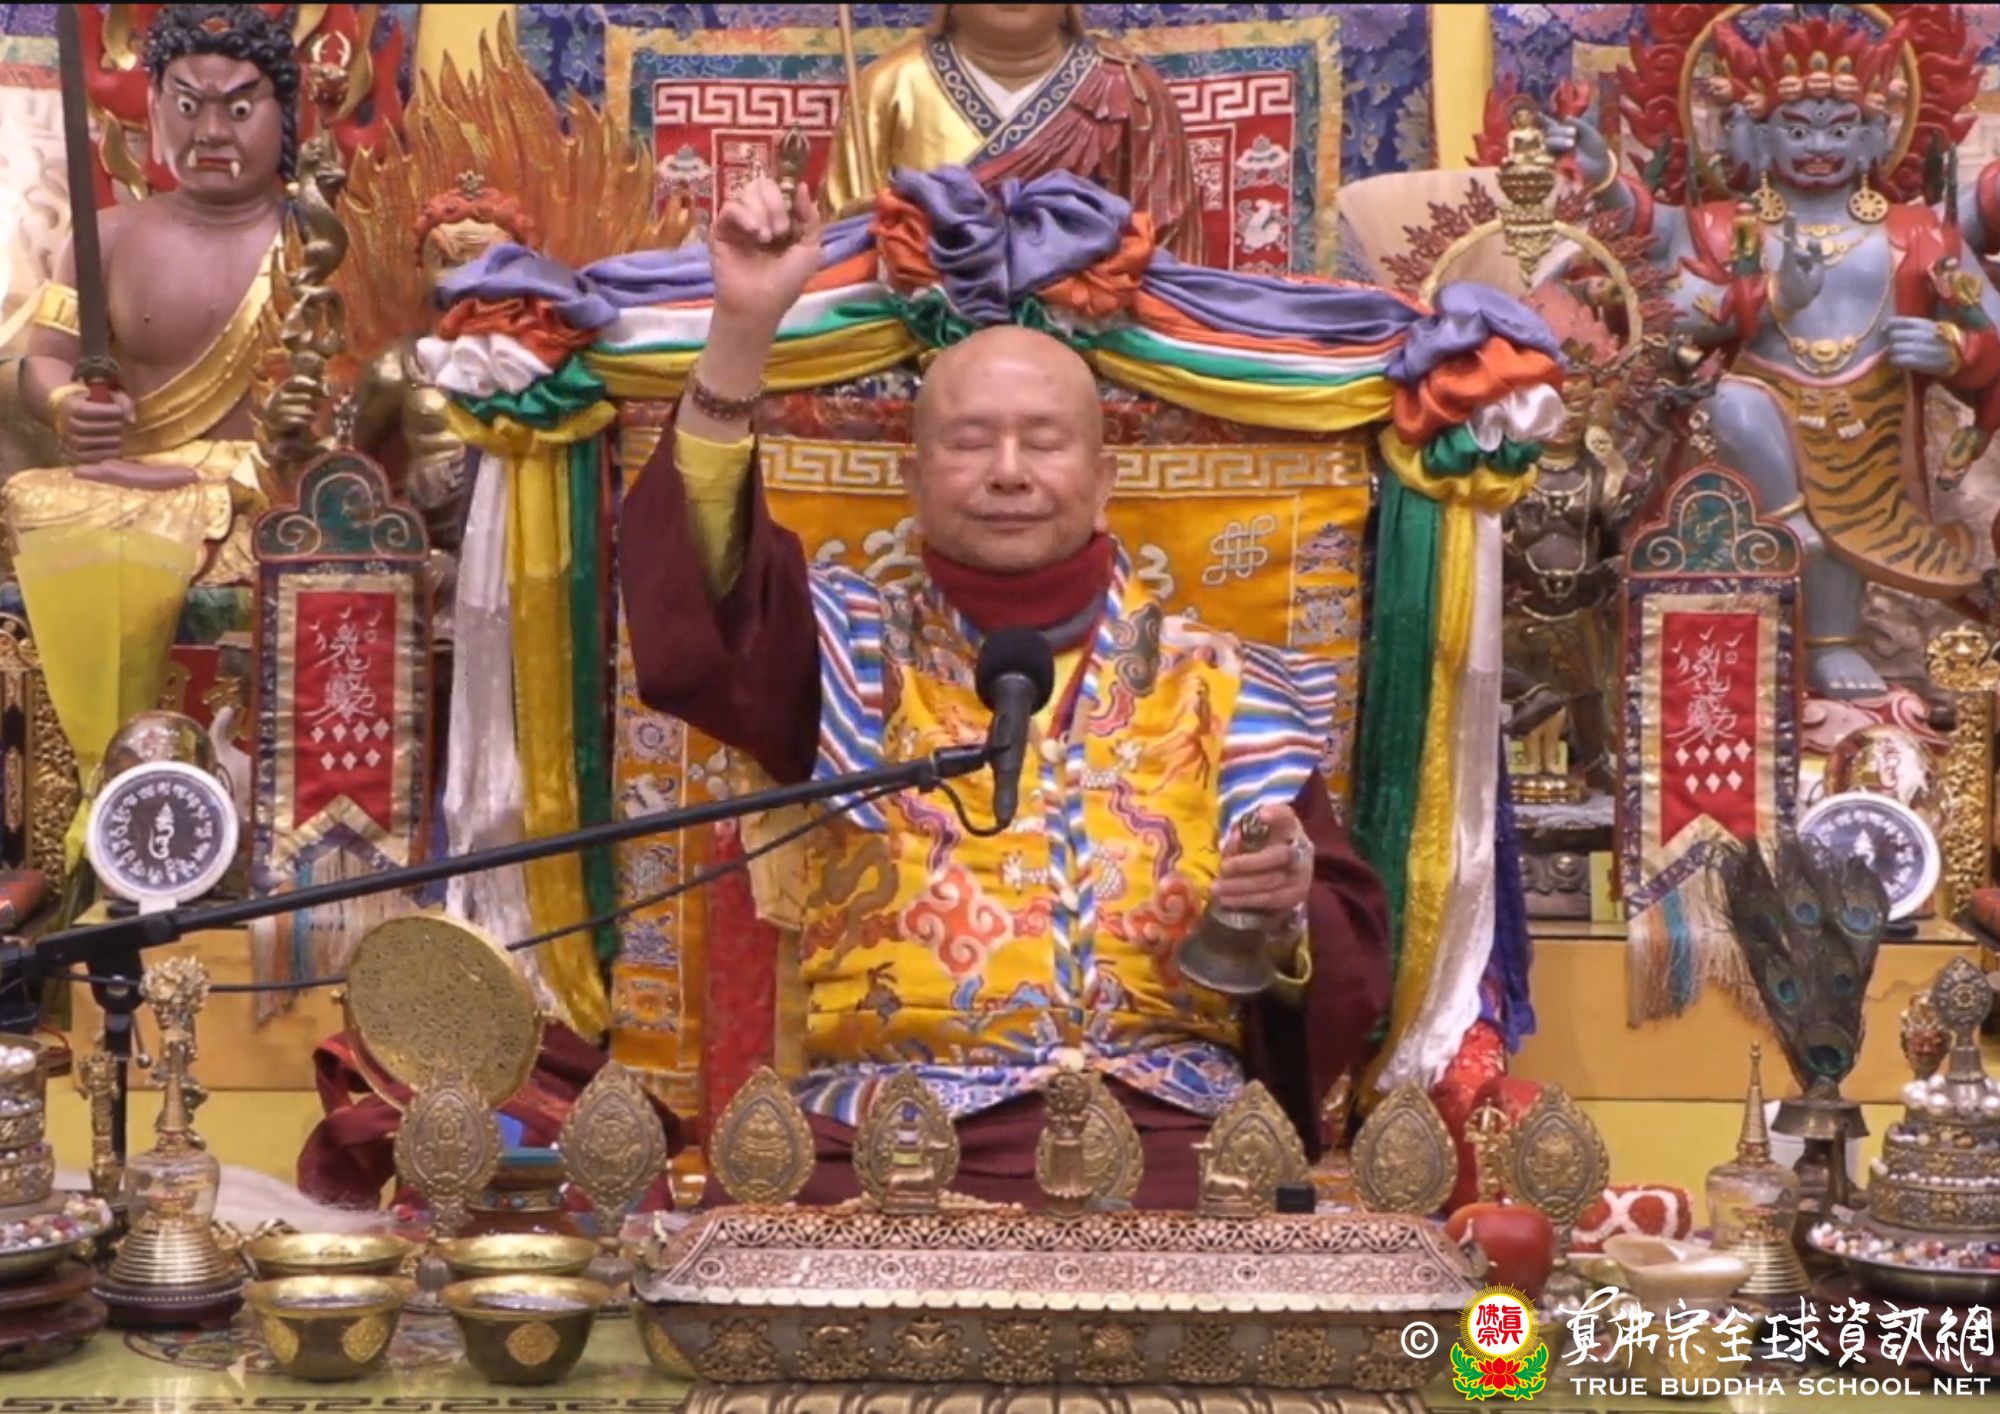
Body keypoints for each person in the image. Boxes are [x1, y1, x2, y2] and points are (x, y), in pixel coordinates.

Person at [621, 175, 1388, 1209]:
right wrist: (743, 328)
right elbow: (699, 601)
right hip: (884, 1133)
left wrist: (1287, 913)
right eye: (970, 440)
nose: (1009, 471)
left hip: (1161, 1131)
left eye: (1045, 439)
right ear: (914, 479)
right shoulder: (841, 650)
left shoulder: (1222, 684)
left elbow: (1341, 960)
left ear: (1104, 480)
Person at [821, 3, 1205, 263]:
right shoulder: (889, 85)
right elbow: (841, 247)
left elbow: (1170, 257)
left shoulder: (1125, 90)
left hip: (1091, 333)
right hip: (914, 331)